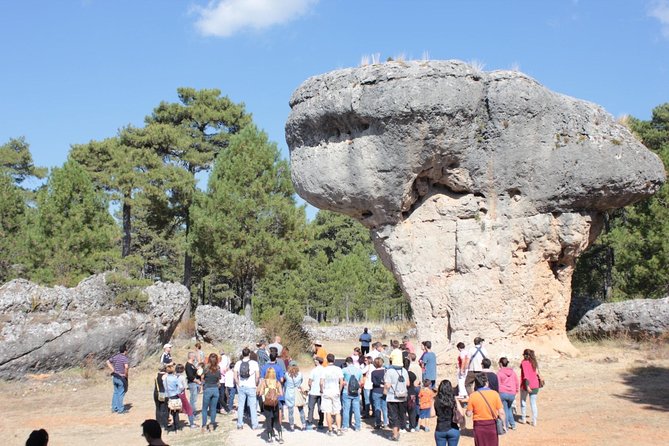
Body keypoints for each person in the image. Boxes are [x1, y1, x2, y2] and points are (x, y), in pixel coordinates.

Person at [466, 373, 506, 446]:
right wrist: (503, 425)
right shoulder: (495, 394)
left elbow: (468, 414)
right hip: (492, 425)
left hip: (478, 426)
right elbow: (501, 412)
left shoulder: (473, 396)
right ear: (486, 383)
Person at [385, 349, 409, 441]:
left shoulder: (389, 371)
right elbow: (407, 383)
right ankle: (398, 431)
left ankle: (395, 435)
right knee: (400, 414)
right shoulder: (404, 371)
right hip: (403, 396)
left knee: (393, 415)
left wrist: (385, 392)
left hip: (392, 396)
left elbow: (387, 384)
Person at [235, 347, 261, 430]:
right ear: (249, 354)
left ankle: (239, 424)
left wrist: (238, 383)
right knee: (253, 406)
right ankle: (254, 425)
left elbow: (235, 376)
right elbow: (257, 376)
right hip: (251, 386)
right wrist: (256, 384)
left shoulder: (238, 363)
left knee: (241, 406)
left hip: (242, 386)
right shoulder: (254, 363)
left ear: (242, 354)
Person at [433, 380, 464, 446]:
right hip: (453, 428)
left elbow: (431, 414)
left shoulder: (436, 399)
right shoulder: (453, 399)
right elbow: (461, 413)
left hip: (440, 428)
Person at [321, 353, 344, 436]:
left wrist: (321, 390)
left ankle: (330, 430)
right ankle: (338, 429)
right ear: (334, 360)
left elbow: (321, 382)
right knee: (337, 411)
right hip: (335, 391)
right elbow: (341, 382)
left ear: (327, 360)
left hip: (327, 391)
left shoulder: (324, 369)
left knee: (328, 411)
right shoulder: (338, 369)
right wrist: (339, 390)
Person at [259, 366, 284, 443]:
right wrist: (275, 394)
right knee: (277, 421)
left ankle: (270, 438)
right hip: (275, 404)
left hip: (266, 404)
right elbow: (281, 393)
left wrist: (266, 394)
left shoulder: (264, 382)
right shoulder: (277, 382)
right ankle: (280, 437)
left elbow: (260, 393)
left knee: (269, 420)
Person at [519, 349, 541, 426]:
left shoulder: (524, 363)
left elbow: (526, 376)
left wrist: (527, 386)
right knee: (533, 403)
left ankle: (523, 419)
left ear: (526, 355)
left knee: (523, 402)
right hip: (535, 385)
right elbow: (537, 373)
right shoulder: (534, 362)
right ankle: (534, 421)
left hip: (526, 385)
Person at [497, 357, 519, 430]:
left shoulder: (499, 373)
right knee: (509, 408)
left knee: (505, 410)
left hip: (503, 392)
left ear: (500, 364)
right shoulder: (513, 372)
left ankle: (505, 426)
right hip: (512, 393)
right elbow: (516, 382)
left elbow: (498, 384)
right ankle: (513, 424)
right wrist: (516, 391)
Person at [342, 356, 363, 431]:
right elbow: (361, 382)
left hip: (346, 391)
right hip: (356, 392)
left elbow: (341, 380)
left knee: (346, 409)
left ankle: (345, 425)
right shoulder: (359, 370)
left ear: (347, 363)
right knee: (357, 409)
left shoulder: (344, 370)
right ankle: (357, 426)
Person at [107, 343, 129, 414]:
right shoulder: (125, 358)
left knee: (116, 392)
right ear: (125, 351)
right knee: (121, 393)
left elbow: (108, 362)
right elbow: (126, 367)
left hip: (115, 377)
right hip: (121, 377)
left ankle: (114, 408)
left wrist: (113, 370)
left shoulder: (115, 356)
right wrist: (125, 375)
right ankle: (120, 409)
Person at [284, 360, 307, 431]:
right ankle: (303, 425)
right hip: (297, 393)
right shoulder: (300, 374)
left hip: (289, 393)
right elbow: (301, 381)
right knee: (301, 410)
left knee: (290, 411)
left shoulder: (287, 374)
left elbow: (285, 382)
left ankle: (292, 426)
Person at [201, 353, 221, 432]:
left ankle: (204, 426)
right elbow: (218, 380)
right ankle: (212, 424)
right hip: (215, 389)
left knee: (204, 409)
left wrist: (204, 383)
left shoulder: (206, 368)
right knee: (213, 408)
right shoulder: (218, 369)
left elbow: (202, 378)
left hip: (208, 388)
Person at [163, 363, 185, 433]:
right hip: (175, 395)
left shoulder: (165, 379)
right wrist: (178, 391)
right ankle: (177, 425)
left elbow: (164, 387)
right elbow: (181, 387)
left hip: (167, 396)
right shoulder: (175, 378)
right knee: (176, 412)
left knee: (168, 411)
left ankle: (167, 425)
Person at [306, 356, 325, 430]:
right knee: (320, 408)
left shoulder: (314, 370)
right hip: (321, 392)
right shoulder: (324, 370)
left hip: (313, 391)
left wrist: (310, 387)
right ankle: (321, 423)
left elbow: (310, 382)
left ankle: (310, 422)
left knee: (311, 408)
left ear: (317, 362)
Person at [371, 356, 389, 429]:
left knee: (377, 407)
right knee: (384, 407)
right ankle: (385, 423)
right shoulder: (386, 371)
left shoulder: (374, 372)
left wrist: (379, 384)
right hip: (384, 390)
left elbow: (374, 382)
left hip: (376, 390)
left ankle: (378, 423)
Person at [185, 352, 201, 425]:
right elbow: (190, 376)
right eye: (194, 356)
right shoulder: (188, 365)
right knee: (193, 400)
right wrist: (197, 381)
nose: (195, 358)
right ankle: (193, 414)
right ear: (191, 357)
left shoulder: (192, 365)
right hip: (192, 383)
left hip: (195, 383)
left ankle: (193, 413)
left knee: (194, 399)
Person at [153, 364, 169, 429]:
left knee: (157, 408)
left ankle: (158, 423)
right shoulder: (165, 376)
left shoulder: (156, 375)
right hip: (163, 393)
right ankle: (164, 424)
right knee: (164, 409)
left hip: (156, 392)